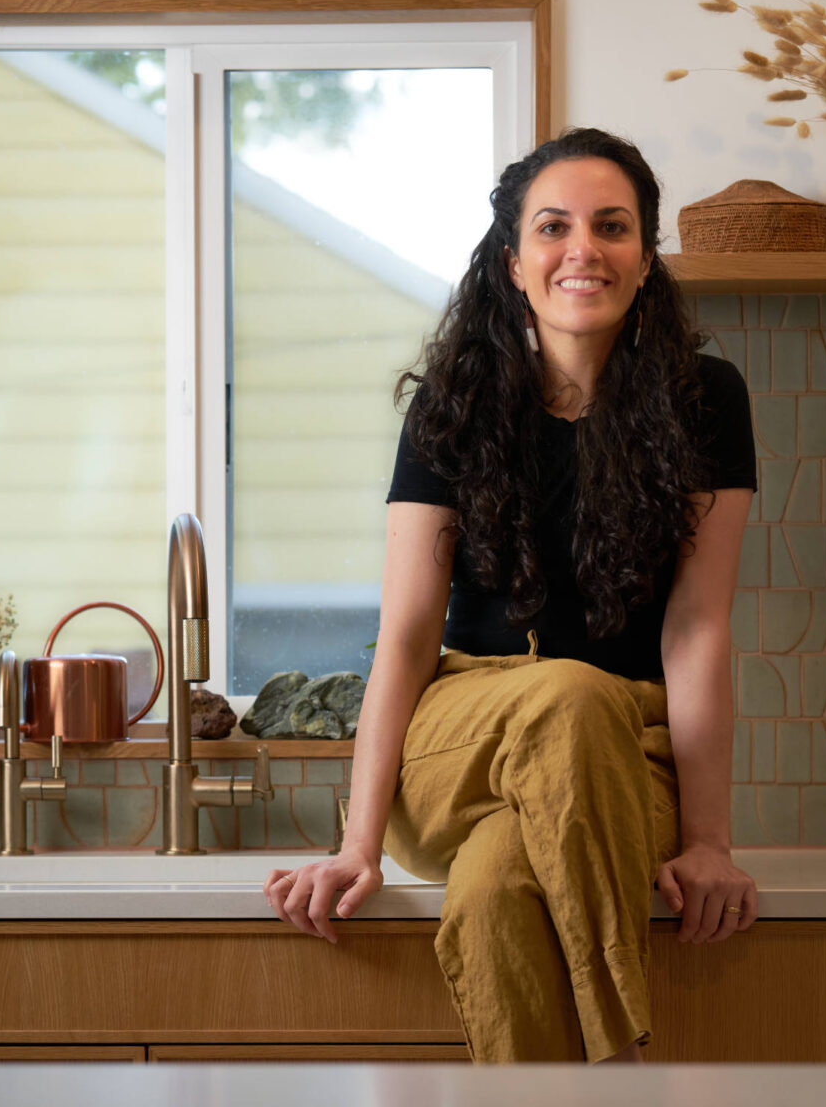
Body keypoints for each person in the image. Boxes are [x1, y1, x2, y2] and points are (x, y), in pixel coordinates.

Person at [264, 126, 759, 1065]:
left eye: (612, 227)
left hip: (620, 753)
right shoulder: (455, 399)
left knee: (495, 893)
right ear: (513, 261)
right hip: (462, 735)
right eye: (553, 227)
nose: (584, 249)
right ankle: (621, 1071)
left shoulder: (705, 398)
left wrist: (709, 843)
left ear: (645, 260)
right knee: (562, 693)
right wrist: (356, 844)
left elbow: (694, 629)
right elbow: (407, 634)